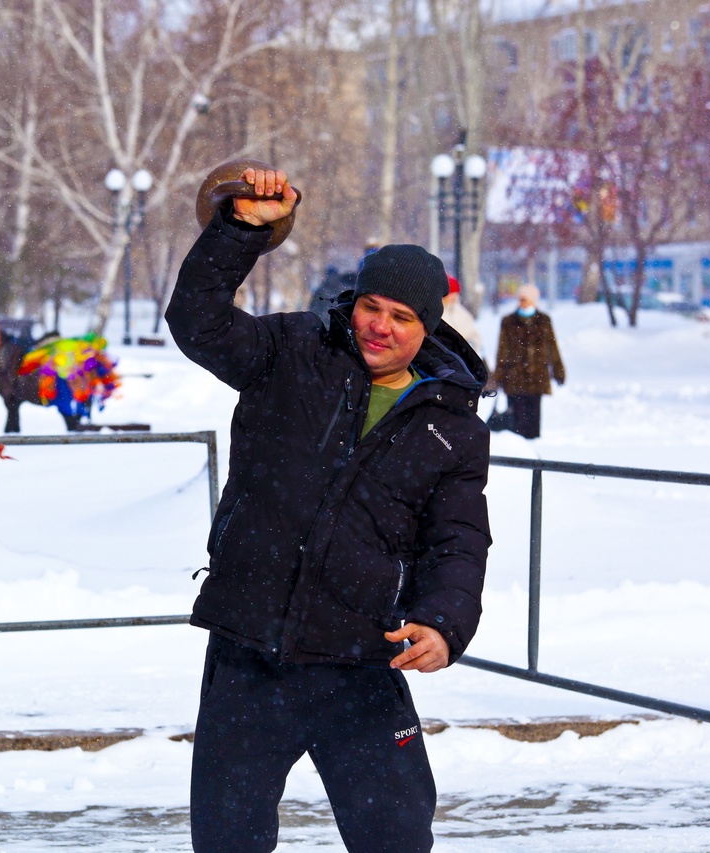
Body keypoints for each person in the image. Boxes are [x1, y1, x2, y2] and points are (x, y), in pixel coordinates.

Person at [166, 167, 491, 853]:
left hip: (361, 661)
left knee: (395, 836)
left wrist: (443, 621)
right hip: (250, 651)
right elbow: (196, 322)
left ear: (426, 325)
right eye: (372, 306)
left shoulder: (451, 425)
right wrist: (241, 228)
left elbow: (457, 542)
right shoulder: (293, 351)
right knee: (227, 840)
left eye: (401, 317)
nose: (380, 326)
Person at [487, 282, 564, 439]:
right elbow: (502, 351)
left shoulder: (544, 320)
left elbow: (552, 348)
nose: (522, 302)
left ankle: (533, 451)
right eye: (520, 299)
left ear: (533, 300)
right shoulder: (508, 321)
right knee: (516, 422)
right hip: (514, 378)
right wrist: (498, 377)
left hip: (537, 377)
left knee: (533, 420)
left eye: (526, 299)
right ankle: (518, 451)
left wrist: (558, 371)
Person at [441, 274, 484, 358]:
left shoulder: (462, 313)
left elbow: (475, 336)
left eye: (455, 294)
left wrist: (470, 346)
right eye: (450, 294)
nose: (452, 298)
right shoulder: (436, 314)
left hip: (463, 361)